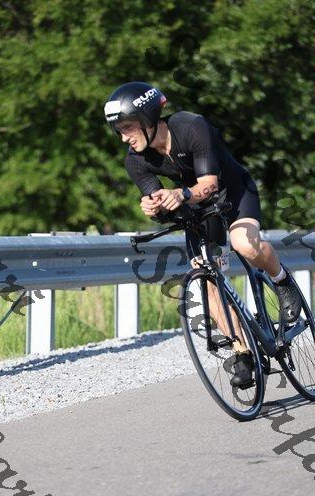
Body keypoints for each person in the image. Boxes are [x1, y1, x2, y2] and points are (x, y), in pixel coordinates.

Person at [104, 81, 302, 387]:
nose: (123, 137)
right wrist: (154, 207)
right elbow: (163, 203)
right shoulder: (135, 160)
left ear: (147, 119)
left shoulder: (192, 127)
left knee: (244, 244)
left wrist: (180, 194)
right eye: (118, 131)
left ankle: (281, 280)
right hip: (199, 210)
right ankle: (242, 351)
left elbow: (209, 184)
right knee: (205, 277)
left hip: (234, 193)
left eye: (127, 128)